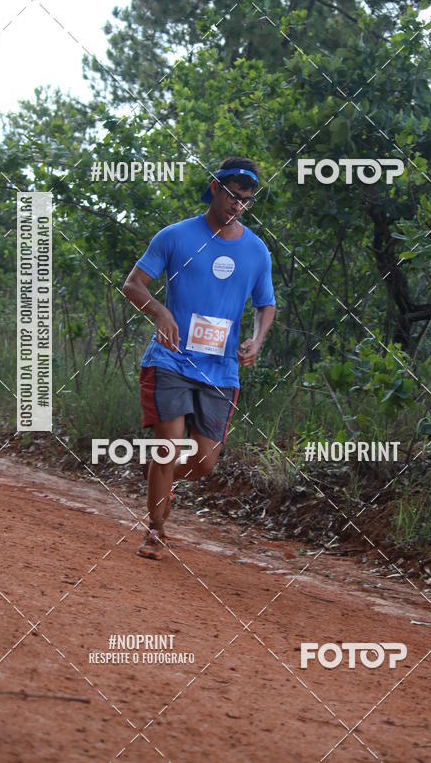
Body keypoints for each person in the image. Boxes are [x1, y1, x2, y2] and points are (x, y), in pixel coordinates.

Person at [122, 157, 276, 560]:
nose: (237, 205)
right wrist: (161, 312)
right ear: (214, 188)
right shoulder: (176, 237)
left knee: (205, 463)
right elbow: (133, 284)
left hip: (220, 370)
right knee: (169, 446)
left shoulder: (257, 251)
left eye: (246, 200)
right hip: (171, 360)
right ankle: (155, 531)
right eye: (232, 195)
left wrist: (257, 339)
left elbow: (266, 304)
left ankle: (161, 476)